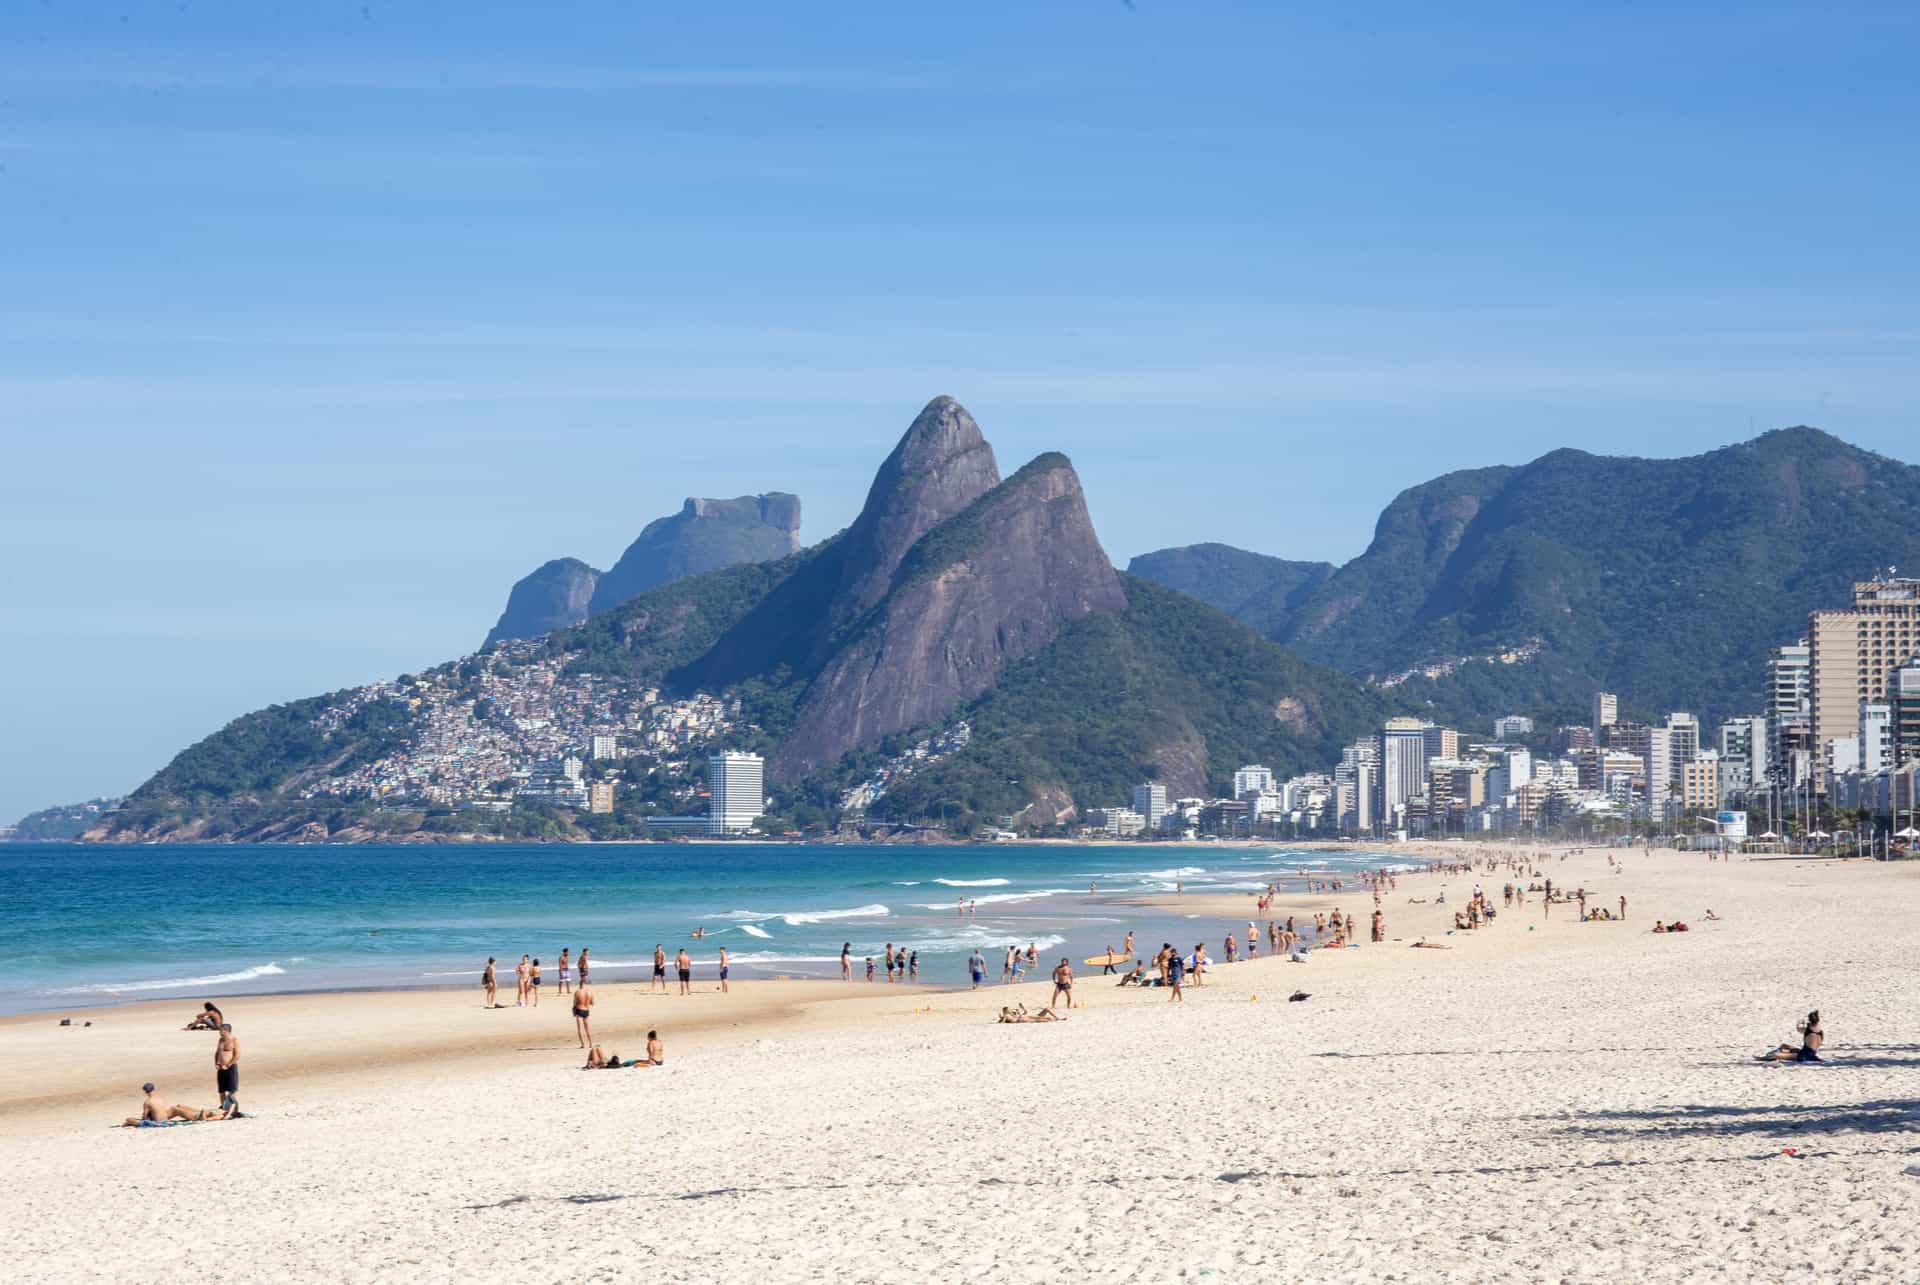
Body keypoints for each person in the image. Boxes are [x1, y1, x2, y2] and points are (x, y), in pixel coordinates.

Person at [122, 1082, 224, 1126]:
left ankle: (198, 1116)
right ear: (153, 1089)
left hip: (158, 1121)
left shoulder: (147, 1101)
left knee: (129, 1119)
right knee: (176, 1108)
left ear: (145, 1091)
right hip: (164, 1117)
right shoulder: (160, 1097)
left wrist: (144, 1119)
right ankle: (200, 1114)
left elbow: (144, 1117)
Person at [1758, 1011, 1824, 1062]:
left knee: (1776, 1055)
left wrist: (1799, 1023)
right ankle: (1776, 1053)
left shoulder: (1808, 1030)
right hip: (1810, 1052)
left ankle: (1764, 1057)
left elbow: (1798, 1029)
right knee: (1784, 1045)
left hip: (1804, 1055)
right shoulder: (1821, 1032)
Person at [214, 1023, 240, 1116]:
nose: (219, 1032)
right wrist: (216, 1063)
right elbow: (217, 1053)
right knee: (221, 1091)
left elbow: (237, 1055)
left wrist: (228, 1065)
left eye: (221, 1030)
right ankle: (224, 1108)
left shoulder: (234, 1040)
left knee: (232, 1090)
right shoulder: (220, 1040)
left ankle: (233, 1110)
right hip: (221, 1068)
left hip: (230, 1068)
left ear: (226, 1030)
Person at [572, 979, 595, 1049]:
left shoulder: (577, 992)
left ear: (580, 984)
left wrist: (573, 1011)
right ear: (585, 984)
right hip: (586, 1011)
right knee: (587, 1029)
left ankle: (583, 1044)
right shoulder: (590, 992)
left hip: (579, 1010)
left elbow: (575, 1003)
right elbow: (592, 1003)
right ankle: (591, 1043)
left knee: (579, 1029)